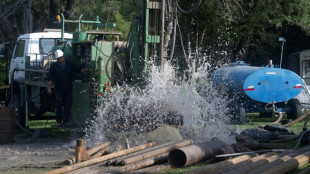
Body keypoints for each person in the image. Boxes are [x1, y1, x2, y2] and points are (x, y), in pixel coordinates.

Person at [47, 49, 86, 127]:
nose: (61, 60)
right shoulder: (54, 66)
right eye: (59, 59)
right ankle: (58, 121)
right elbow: (50, 78)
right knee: (58, 104)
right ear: (57, 59)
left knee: (68, 104)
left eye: (61, 58)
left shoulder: (69, 64)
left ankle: (66, 121)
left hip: (68, 88)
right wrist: (49, 88)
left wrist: (86, 70)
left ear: (63, 57)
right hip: (58, 89)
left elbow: (78, 69)